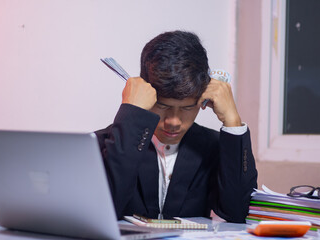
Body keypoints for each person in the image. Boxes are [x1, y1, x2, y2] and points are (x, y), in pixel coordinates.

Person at [95, 30, 257, 223]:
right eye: (162, 106)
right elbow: (102, 212)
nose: (174, 121)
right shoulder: (102, 145)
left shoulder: (213, 147)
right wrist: (132, 113)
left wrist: (232, 121)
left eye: (188, 108)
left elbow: (238, 212)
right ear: (144, 93)